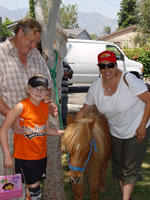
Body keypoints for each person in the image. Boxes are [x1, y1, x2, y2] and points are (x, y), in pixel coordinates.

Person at [75, 50, 150, 200]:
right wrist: (74, 129)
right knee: (118, 167)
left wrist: (142, 125)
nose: (107, 69)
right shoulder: (96, 86)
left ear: (116, 65)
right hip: (115, 131)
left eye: (110, 65)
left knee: (129, 169)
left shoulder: (129, 80)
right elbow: (85, 109)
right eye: (103, 66)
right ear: (99, 68)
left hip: (136, 128)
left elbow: (149, 101)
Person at [0, 18, 58, 198]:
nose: (34, 46)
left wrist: (46, 100)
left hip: (34, 139)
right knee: (9, 185)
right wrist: (12, 117)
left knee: (32, 184)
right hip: (9, 134)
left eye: (36, 42)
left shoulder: (36, 56)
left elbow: (47, 87)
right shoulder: (1, 54)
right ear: (19, 33)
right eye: (31, 41)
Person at [0, 75, 64, 200]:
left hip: (40, 156)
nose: (39, 92)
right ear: (28, 89)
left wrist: (63, 132)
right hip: (25, 157)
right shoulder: (21, 106)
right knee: (34, 187)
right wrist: (7, 156)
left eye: (43, 89)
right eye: (35, 88)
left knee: (33, 186)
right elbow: (3, 130)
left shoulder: (45, 108)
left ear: (46, 92)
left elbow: (45, 130)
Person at [61, 61, 73, 127]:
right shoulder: (52, 63)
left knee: (64, 109)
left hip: (64, 92)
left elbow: (71, 74)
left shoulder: (65, 64)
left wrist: (66, 73)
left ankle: (64, 124)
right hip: (55, 93)